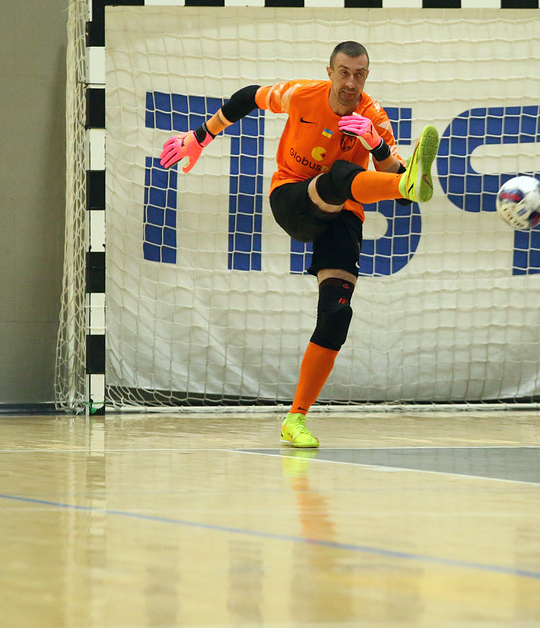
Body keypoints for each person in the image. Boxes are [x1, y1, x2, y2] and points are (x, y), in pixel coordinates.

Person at [159, 41, 439, 449]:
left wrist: (376, 144)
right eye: (344, 73)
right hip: (292, 198)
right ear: (330, 72)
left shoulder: (373, 116)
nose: (351, 82)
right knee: (341, 175)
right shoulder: (303, 94)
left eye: (360, 75)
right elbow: (249, 96)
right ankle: (408, 183)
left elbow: (395, 185)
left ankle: (295, 419)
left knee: (337, 314)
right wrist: (201, 136)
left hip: (344, 212)